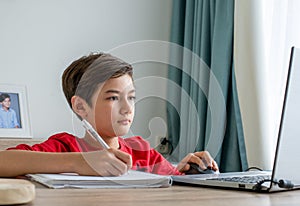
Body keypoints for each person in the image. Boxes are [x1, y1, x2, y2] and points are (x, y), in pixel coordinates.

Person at [0, 53, 218, 177]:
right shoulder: (64, 146)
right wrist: (79, 162)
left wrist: (188, 171)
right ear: (81, 107)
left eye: (131, 97)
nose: (127, 108)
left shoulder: (141, 150)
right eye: (113, 98)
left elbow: (173, 181)